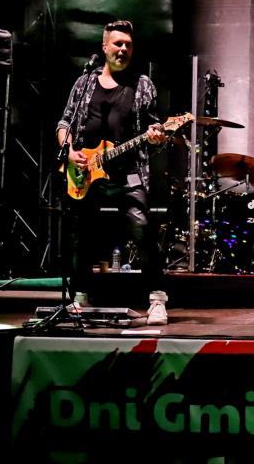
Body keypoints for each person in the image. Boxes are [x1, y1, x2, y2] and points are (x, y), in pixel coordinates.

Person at [56, 20, 170, 324]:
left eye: (128, 45)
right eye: (118, 44)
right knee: (81, 234)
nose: (123, 49)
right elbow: (64, 123)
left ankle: (157, 299)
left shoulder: (142, 84)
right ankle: (80, 295)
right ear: (104, 47)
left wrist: (157, 135)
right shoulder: (84, 83)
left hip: (128, 171)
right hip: (86, 171)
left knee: (142, 228)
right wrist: (70, 151)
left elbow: (154, 128)